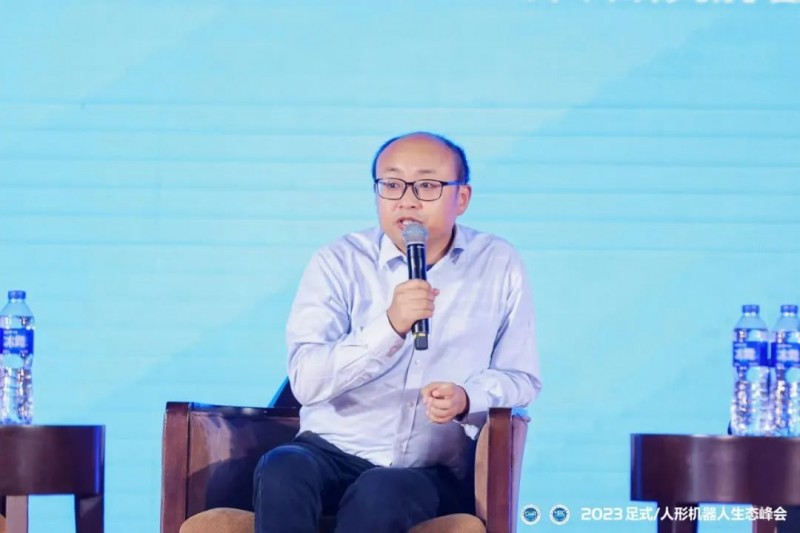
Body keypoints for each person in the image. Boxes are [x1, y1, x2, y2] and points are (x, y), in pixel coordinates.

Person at [253, 131, 542, 533]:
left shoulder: (498, 263)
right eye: (391, 184)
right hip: (331, 451)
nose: (407, 200)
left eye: (426, 185)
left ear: (462, 198)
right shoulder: (338, 261)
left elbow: (522, 377)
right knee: (282, 467)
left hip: (429, 470)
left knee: (380, 491)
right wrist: (389, 327)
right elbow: (306, 379)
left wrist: (467, 397)